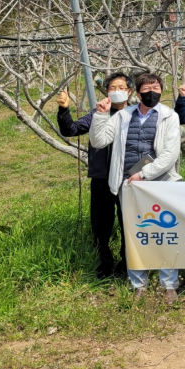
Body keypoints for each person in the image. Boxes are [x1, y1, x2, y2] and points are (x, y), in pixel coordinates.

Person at [89, 72, 182, 303]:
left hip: (159, 183)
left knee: (164, 233)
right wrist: (100, 116)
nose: (153, 91)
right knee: (135, 235)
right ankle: (138, 282)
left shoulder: (169, 116)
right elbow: (98, 141)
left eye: (157, 87)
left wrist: (144, 173)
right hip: (128, 185)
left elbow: (170, 154)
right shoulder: (122, 116)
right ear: (137, 92)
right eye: (148, 87)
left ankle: (169, 283)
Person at [57, 72, 132, 279]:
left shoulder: (136, 115)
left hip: (127, 178)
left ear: (130, 91)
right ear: (106, 92)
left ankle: (127, 264)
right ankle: (104, 263)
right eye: (112, 88)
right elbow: (70, 130)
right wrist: (64, 110)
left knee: (128, 222)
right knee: (100, 224)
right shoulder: (97, 113)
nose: (117, 92)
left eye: (121, 88)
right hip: (101, 177)